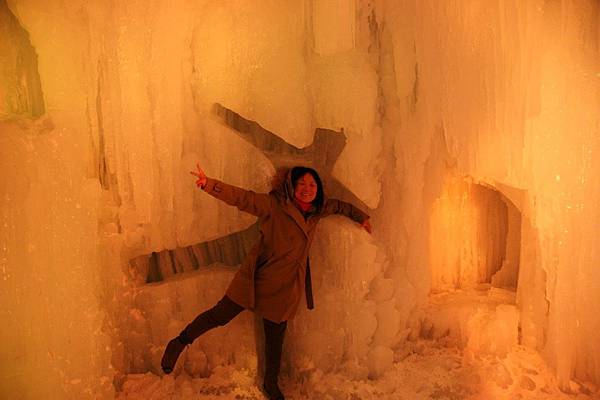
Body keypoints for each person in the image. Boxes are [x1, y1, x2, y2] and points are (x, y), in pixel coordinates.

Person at [161, 163, 372, 400]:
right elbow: (243, 198)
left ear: (318, 189)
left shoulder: (318, 209)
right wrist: (210, 185)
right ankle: (179, 342)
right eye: (301, 183)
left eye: (312, 184)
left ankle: (271, 384)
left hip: (284, 288)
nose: (307, 188)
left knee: (275, 340)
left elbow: (340, 206)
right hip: (256, 279)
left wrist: (361, 217)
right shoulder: (275, 205)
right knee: (218, 316)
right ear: (291, 186)